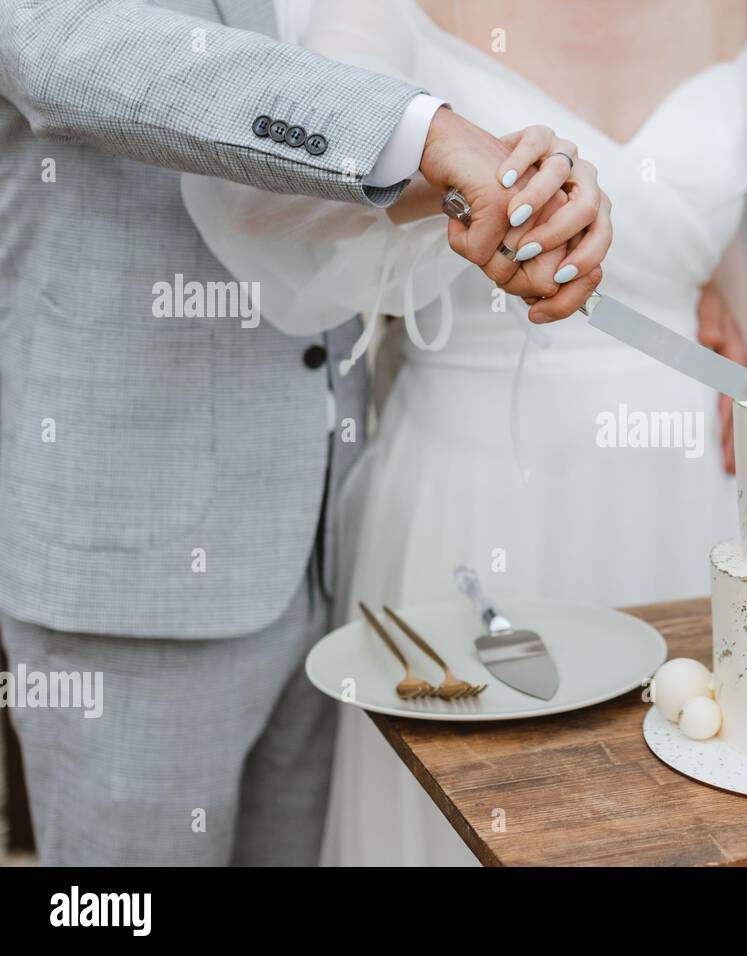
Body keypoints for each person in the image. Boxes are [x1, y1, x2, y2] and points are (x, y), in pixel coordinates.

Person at [183, 0, 747, 865]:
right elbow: (261, 193)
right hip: (479, 493)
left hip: (694, 497)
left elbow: (727, 212)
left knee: (694, 809)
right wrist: (451, 179)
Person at [0, 0, 610, 865]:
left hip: (335, 547)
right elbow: (67, 47)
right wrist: (425, 131)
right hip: (131, 563)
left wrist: (527, 185)